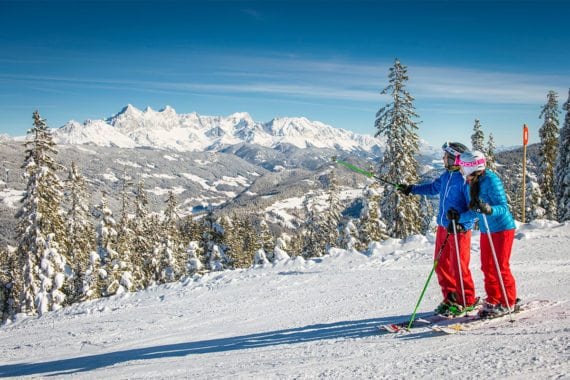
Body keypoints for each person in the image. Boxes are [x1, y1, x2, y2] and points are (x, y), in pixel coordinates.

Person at [398, 142, 477, 316]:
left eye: (446, 157)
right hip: (443, 227)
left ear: (455, 159)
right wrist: (411, 189)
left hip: (459, 230)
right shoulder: (446, 176)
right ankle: (450, 298)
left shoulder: (465, 180)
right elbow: (433, 188)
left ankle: (466, 301)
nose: (443, 159)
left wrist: (460, 220)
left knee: (459, 267)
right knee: (441, 265)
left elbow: (475, 210)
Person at [451, 150, 518, 318]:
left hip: (502, 228)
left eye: (462, 167)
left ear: (471, 167)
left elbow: (503, 207)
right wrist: (459, 218)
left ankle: (508, 301)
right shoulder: (469, 183)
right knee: (487, 266)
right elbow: (474, 210)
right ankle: (494, 298)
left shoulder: (491, 180)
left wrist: (489, 209)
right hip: (486, 229)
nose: (460, 169)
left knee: (500, 267)